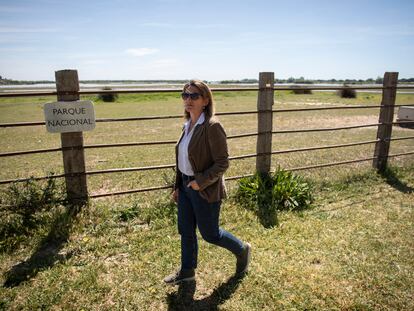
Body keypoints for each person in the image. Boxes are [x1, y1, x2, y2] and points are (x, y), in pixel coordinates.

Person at [163, 80, 251, 286]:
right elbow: (182, 160)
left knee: (211, 234)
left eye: (194, 96)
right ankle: (187, 271)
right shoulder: (187, 125)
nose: (188, 100)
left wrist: (199, 183)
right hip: (185, 186)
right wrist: (178, 186)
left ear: (205, 100)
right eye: (185, 95)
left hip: (204, 189)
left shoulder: (212, 126)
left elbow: (222, 163)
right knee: (185, 230)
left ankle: (242, 250)